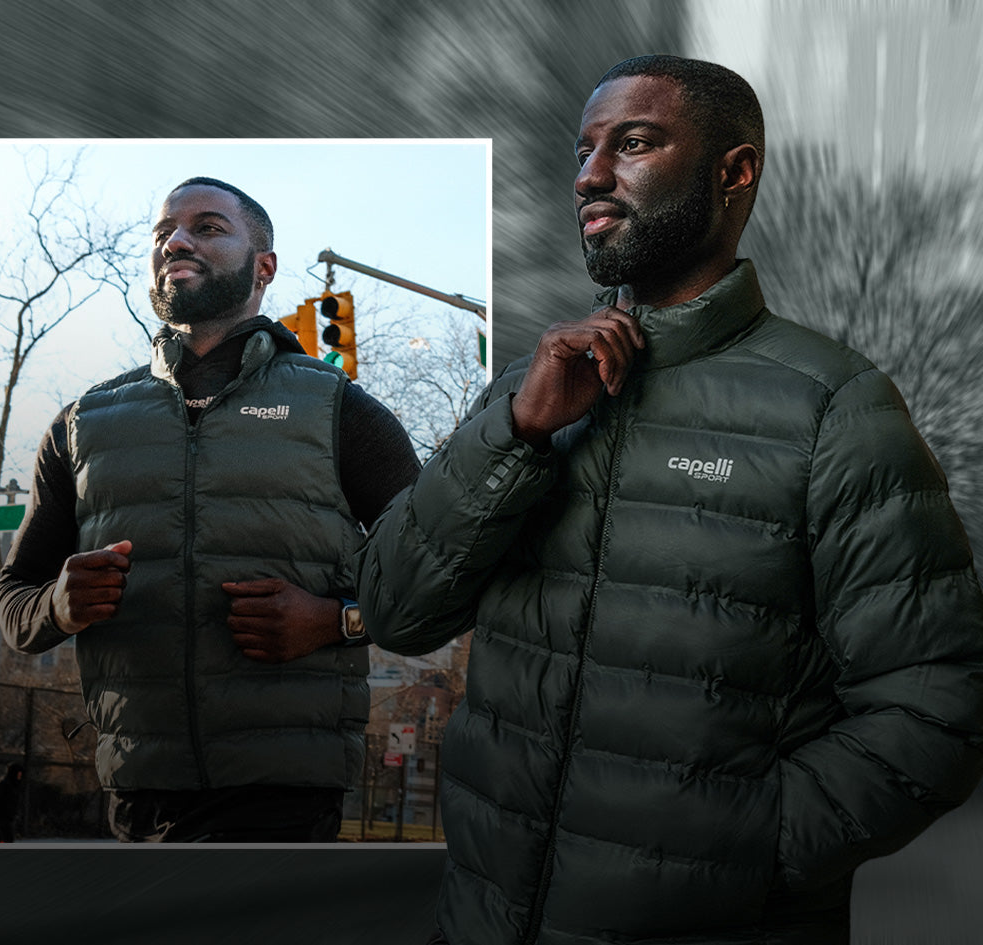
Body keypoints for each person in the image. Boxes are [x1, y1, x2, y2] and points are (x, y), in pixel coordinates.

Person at [355, 56, 983, 944]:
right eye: (584, 151)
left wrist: (743, 851)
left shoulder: (836, 407)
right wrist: (519, 434)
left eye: (634, 143)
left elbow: (936, 708)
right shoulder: (525, 393)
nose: (589, 175)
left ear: (734, 172)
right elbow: (394, 605)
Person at [0, 177, 420, 843]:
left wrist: (335, 621)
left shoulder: (342, 410)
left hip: (286, 802)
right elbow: (14, 601)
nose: (177, 241)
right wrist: (60, 605)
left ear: (264, 266)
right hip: (134, 797)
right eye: (163, 232)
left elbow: (435, 579)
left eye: (208, 227)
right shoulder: (83, 424)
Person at [0, 762, 24, 843]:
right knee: (8, 839)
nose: (20, 775)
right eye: (19, 773)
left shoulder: (14, 784)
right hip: (2, 817)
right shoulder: (4, 784)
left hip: (8, 817)